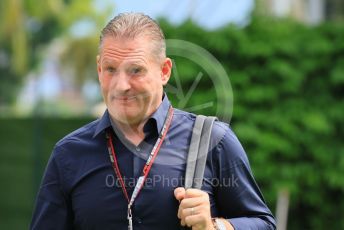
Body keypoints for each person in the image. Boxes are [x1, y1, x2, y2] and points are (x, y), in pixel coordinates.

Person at [30, 12, 276, 230]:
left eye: (135, 70)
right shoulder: (68, 154)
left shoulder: (213, 140)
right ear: (98, 69)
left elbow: (264, 224)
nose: (121, 85)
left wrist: (215, 226)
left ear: (165, 71)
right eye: (111, 69)